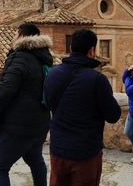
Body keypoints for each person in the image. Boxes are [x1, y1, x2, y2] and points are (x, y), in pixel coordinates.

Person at [44, 29, 121, 186]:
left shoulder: (52, 73)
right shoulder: (97, 79)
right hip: (85, 152)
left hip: (58, 149)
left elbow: (48, 104)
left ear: (71, 49)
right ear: (92, 51)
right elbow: (113, 115)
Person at [0, 22, 53, 186]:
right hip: (40, 124)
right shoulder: (43, 58)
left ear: (21, 37)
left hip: (17, 126)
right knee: (36, 161)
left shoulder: (19, 58)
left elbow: (4, 92)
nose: (12, 38)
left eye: (14, 35)